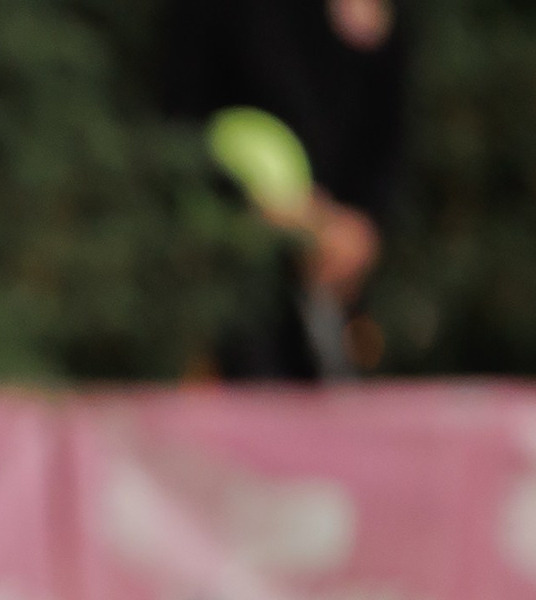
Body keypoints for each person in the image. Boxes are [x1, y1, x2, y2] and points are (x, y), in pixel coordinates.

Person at [162, 0, 411, 380]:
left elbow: (388, 132)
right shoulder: (229, 16)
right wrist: (250, 201)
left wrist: (364, 222)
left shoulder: (385, 18)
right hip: (233, 271)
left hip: (340, 280)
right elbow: (179, 121)